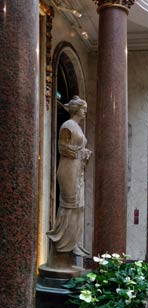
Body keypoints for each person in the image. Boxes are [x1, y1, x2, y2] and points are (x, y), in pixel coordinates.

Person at [47, 96, 92, 267]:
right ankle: (61, 241)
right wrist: (81, 153)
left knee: (79, 206)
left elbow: (74, 149)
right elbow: (63, 148)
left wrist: (84, 153)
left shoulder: (76, 127)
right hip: (68, 170)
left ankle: (73, 243)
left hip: (77, 169)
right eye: (83, 108)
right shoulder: (67, 126)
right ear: (76, 110)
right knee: (70, 205)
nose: (85, 111)